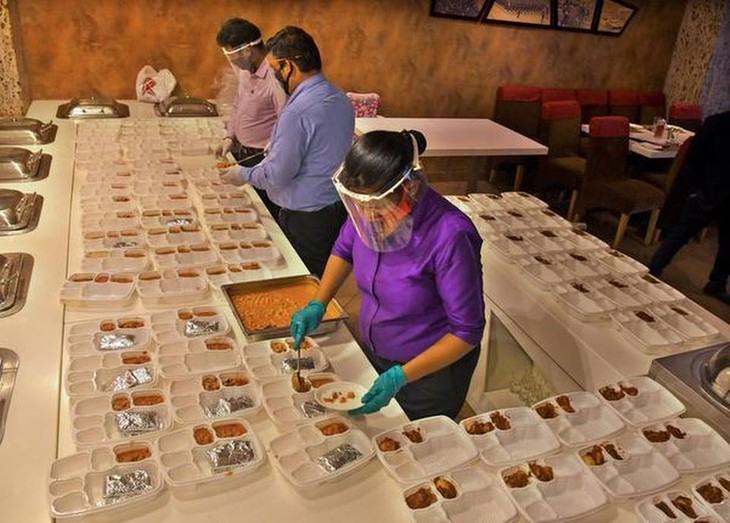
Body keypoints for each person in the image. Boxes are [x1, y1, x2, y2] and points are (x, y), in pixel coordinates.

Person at [290, 130, 486, 420]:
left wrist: (401, 376)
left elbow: (466, 332)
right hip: (378, 352)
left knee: (412, 439)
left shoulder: (450, 234)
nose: (368, 217)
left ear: (409, 189)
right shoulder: (366, 206)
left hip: (430, 375)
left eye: (378, 211)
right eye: (360, 207)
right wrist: (319, 302)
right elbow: (344, 249)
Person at [221, 26, 354, 278]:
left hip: (305, 218)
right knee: (317, 275)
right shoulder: (339, 98)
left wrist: (243, 174)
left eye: (275, 70)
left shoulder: (298, 111)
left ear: (288, 66)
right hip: (333, 208)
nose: (275, 76)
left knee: (299, 278)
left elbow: (277, 175)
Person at [649, 110, 730, 304]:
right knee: (680, 234)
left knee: (728, 245)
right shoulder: (717, 122)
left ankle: (717, 284)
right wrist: (694, 189)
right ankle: (652, 270)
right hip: (707, 191)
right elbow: (693, 157)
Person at [215, 18, 287, 217]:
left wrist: (274, 149)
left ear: (247, 50)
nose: (232, 61)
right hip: (243, 154)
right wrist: (230, 137)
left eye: (232, 55)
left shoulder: (275, 79)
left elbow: (286, 124)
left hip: (262, 159)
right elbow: (238, 105)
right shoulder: (245, 71)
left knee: (263, 214)